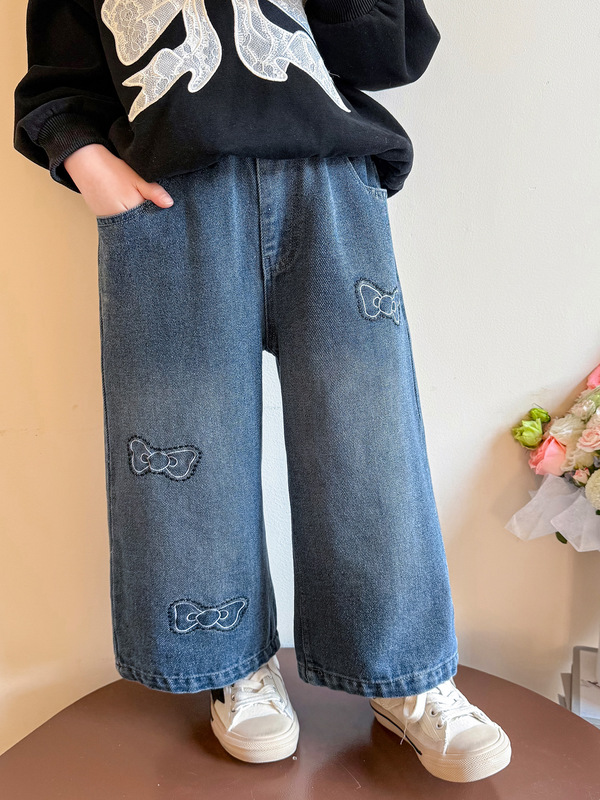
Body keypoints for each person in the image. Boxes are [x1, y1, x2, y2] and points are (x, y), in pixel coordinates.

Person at [13, 0, 511, 782]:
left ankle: (403, 673)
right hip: (172, 199)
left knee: (368, 440)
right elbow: (58, 79)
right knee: (185, 443)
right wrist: (87, 161)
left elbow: (394, 53)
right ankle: (232, 664)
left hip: (328, 181)